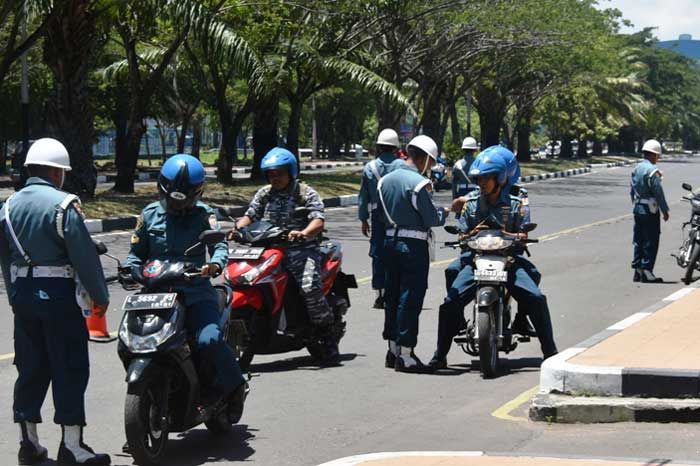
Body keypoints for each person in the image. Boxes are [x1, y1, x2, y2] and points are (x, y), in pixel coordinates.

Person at [0, 138, 111, 465]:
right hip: (58, 297)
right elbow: (85, 258)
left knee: (30, 368)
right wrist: (100, 297)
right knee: (70, 366)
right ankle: (73, 447)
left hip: (23, 296)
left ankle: (29, 443)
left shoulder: (7, 207)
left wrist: (14, 294)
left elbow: (5, 259)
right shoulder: (64, 205)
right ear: (55, 172)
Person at [126, 154, 248, 424]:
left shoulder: (205, 215)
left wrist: (215, 266)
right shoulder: (148, 215)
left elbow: (218, 246)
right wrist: (128, 269)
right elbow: (135, 254)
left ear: (197, 192)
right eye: (171, 198)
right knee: (132, 344)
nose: (175, 204)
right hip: (156, 296)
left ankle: (235, 386)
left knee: (209, 340)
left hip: (194, 293)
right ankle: (145, 408)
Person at [429, 148, 558, 369]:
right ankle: (440, 354)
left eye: (487, 178)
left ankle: (550, 350)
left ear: (500, 178)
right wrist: (463, 236)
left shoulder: (518, 200)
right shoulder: (471, 201)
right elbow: (462, 230)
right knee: (451, 300)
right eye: (479, 178)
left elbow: (524, 229)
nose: (482, 183)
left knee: (535, 295)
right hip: (476, 258)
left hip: (508, 259)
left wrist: (520, 236)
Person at [234, 147, 340, 365]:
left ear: (290, 172)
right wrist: (237, 229)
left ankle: (327, 332)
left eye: (279, 173)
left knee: (309, 287)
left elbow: (318, 220)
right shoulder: (265, 193)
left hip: (301, 249)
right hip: (269, 248)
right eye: (271, 174)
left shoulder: (304, 192)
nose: (275, 178)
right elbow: (250, 215)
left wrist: (302, 233)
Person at [378, 135, 449, 373]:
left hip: (389, 243)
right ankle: (407, 354)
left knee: (392, 298)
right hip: (413, 246)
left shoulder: (384, 182)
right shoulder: (419, 184)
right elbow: (431, 218)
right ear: (427, 158)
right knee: (410, 298)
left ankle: (392, 349)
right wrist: (447, 211)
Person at [358, 129, 401, 309]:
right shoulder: (402, 166)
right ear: (396, 147)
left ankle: (380, 294)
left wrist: (363, 219)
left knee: (378, 254)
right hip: (397, 216)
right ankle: (395, 291)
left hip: (377, 217)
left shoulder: (370, 168)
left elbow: (363, 197)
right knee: (397, 252)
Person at [631, 139, 669, 282]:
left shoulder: (636, 169)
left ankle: (637, 269)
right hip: (650, 210)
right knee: (651, 240)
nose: (657, 158)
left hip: (638, 207)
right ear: (653, 155)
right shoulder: (653, 171)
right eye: (657, 155)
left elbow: (632, 189)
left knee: (638, 239)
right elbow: (658, 193)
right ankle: (647, 270)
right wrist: (665, 210)